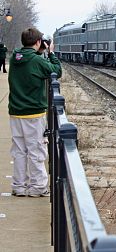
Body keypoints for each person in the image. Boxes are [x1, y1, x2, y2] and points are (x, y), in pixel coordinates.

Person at [8, 27, 62, 197]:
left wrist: (39, 51)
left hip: (16, 112)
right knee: (36, 150)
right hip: (33, 113)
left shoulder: (15, 58)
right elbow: (56, 70)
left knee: (19, 151)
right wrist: (50, 53)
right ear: (38, 42)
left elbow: (29, 59)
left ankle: (19, 186)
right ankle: (38, 187)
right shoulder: (37, 61)